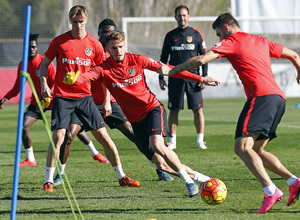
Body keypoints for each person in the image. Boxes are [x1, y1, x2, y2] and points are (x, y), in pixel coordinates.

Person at [158, 12, 300, 213]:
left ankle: (271, 190)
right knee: (256, 151)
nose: (219, 39)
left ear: (226, 28)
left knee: (240, 147)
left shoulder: (232, 40)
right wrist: (299, 73)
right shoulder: (260, 40)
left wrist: (171, 70)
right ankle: (294, 181)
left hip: (260, 97)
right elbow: (295, 55)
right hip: (279, 99)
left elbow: (200, 60)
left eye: (218, 34)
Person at [63, 30, 220, 197]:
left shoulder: (137, 60)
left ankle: (189, 183)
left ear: (125, 45)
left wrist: (200, 78)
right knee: (161, 165)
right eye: (114, 48)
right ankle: (205, 179)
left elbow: (168, 70)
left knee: (157, 145)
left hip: (152, 109)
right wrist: (73, 78)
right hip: (136, 122)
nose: (118, 51)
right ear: (107, 50)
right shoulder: (103, 69)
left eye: (121, 46)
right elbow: (85, 77)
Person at [53, 18, 173, 186]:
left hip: (110, 102)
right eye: (105, 32)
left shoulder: (115, 53)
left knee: (133, 134)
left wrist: (107, 101)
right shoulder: (93, 48)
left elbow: (110, 79)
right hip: (88, 102)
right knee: (69, 135)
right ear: (100, 34)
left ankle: (159, 167)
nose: (108, 35)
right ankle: (60, 174)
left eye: (111, 31)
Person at [39, 5, 139, 192]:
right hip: (63, 97)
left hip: (86, 98)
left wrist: (108, 99)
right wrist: (44, 85)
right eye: (75, 22)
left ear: (86, 21)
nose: (78, 26)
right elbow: (44, 65)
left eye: (81, 22)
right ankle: (48, 180)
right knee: (59, 136)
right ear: (71, 22)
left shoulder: (94, 44)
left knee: (103, 136)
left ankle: (121, 176)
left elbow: (105, 74)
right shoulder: (59, 42)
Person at [0, 34, 56, 166]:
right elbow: (17, 86)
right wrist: (5, 98)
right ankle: (30, 159)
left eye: (33, 47)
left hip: (53, 101)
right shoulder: (23, 64)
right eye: (28, 47)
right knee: (23, 126)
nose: (31, 49)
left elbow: (55, 84)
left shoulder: (45, 62)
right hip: (36, 102)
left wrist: (46, 101)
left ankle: (94, 152)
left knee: (67, 131)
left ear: (37, 48)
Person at [159, 5, 208, 150]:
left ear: (189, 16)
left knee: (197, 109)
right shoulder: (170, 36)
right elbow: (163, 59)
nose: (182, 18)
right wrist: (160, 78)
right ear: (175, 17)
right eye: (179, 15)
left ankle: (200, 140)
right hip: (175, 78)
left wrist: (204, 76)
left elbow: (204, 57)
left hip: (194, 78)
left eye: (185, 15)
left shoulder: (196, 34)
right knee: (174, 110)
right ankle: (172, 141)